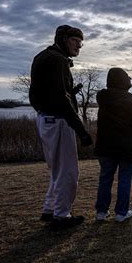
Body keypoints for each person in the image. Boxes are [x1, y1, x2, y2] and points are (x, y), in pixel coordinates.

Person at [29, 24, 92, 230]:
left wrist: (68, 93)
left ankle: (50, 209)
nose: (78, 46)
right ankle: (62, 215)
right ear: (63, 39)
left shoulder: (42, 57)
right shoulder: (58, 60)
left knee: (57, 169)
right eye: (75, 41)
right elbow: (61, 100)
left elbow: (42, 93)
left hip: (45, 118)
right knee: (68, 171)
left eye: (80, 43)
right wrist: (82, 131)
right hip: (58, 121)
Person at [94, 68, 132, 222]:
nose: (130, 79)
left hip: (105, 146)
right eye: (127, 77)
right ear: (122, 80)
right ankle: (121, 212)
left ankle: (101, 211)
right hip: (127, 147)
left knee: (105, 178)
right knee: (124, 179)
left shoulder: (103, 98)